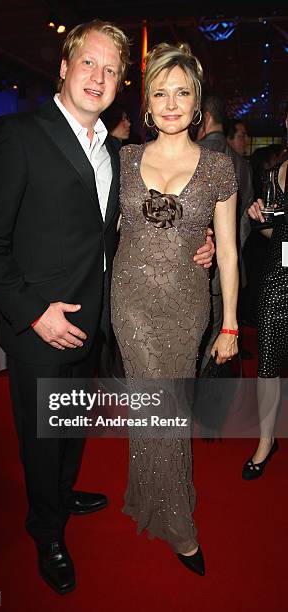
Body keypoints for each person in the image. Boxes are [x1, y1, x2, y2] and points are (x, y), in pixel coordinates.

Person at [0, 21, 214, 595]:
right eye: (88, 63)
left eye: (110, 69)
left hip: (98, 321)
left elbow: (140, 224)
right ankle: (44, 528)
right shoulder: (17, 133)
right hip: (40, 328)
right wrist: (31, 313)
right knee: (41, 437)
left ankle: (63, 492)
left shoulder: (118, 153)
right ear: (64, 67)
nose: (98, 76)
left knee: (71, 428)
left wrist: (202, 243)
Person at [111, 42, 239, 576]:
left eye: (181, 92)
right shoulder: (124, 159)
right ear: (147, 103)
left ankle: (149, 495)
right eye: (160, 92)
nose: (170, 102)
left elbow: (228, 250)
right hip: (131, 302)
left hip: (187, 306)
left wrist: (230, 322)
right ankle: (179, 528)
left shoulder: (218, 167)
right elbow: (111, 230)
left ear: (196, 101)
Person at [242, 105, 288, 480]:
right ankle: (265, 440)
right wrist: (260, 217)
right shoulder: (275, 173)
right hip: (279, 276)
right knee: (268, 365)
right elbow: (276, 233)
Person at [197, 93, 254, 370]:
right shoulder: (241, 162)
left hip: (188, 273)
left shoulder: (190, 153)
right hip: (223, 278)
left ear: (204, 118)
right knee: (212, 346)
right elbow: (244, 224)